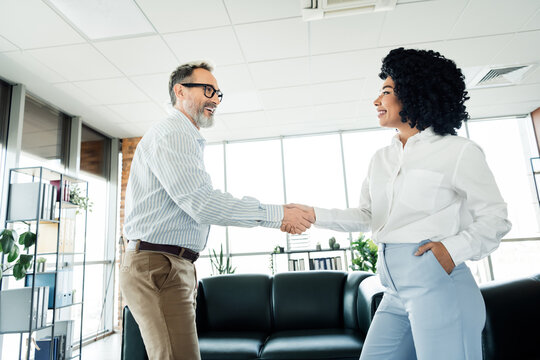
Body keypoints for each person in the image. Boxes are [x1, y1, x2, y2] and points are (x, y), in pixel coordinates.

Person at [282, 48, 511, 359]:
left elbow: (495, 218)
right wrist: (313, 214)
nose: (377, 101)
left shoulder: (458, 151)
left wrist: (449, 252)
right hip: (393, 290)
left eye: (386, 92)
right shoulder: (381, 159)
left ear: (414, 94)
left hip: (439, 285)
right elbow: (367, 216)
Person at [120, 61, 314, 360]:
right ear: (179, 90)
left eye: (218, 93)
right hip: (158, 266)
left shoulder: (184, 136)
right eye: (207, 89)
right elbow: (202, 203)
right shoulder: (172, 133)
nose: (214, 99)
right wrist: (278, 215)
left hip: (170, 264)